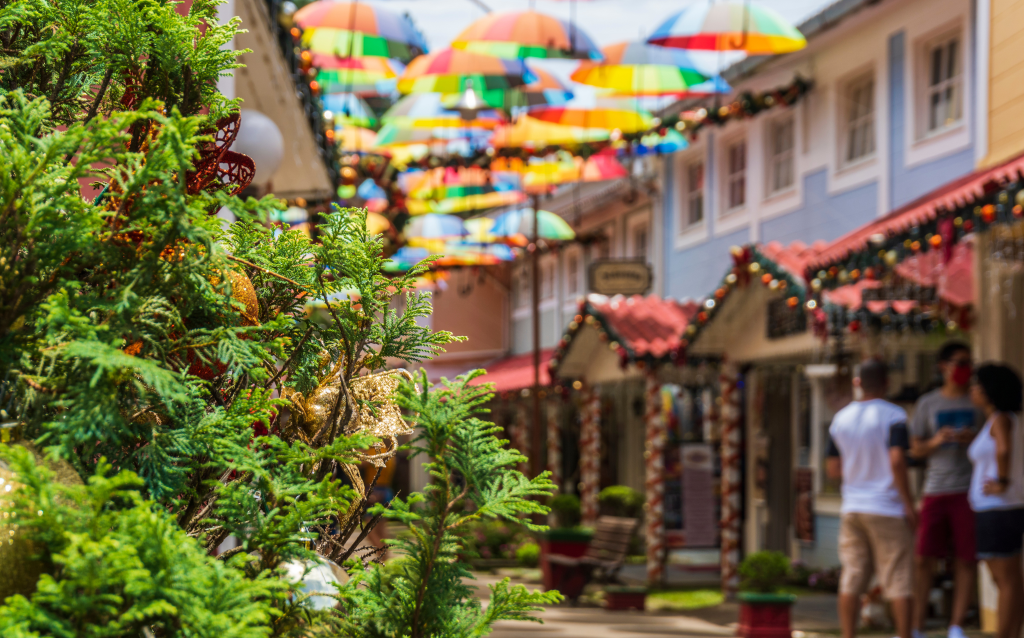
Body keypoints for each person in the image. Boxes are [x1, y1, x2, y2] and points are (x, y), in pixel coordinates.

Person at [827, 358, 916, 638]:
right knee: (898, 577)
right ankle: (904, 634)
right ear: (887, 383)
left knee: (851, 577)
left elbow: (832, 469)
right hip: (887, 507)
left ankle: (847, 634)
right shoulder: (895, 416)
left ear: (857, 383)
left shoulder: (840, 419)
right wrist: (908, 504)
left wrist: (857, 476)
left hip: (852, 506)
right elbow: (898, 460)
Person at [909, 341, 980, 638]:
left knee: (966, 558)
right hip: (935, 489)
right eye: (960, 362)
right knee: (925, 559)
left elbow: (993, 439)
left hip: (969, 490)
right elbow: (915, 449)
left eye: (968, 363)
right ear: (943, 366)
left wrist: (971, 439)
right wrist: (936, 441)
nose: (965, 368)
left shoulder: (978, 401)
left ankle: (956, 626)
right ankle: (917, 626)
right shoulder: (928, 403)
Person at [967, 364, 1024, 638]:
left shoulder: (1001, 418)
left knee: (1005, 579)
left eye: (977, 384)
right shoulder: (1002, 419)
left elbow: (1003, 449)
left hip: (998, 509)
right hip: (1000, 509)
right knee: (1008, 578)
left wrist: (1001, 481)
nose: (972, 389)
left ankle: (1005, 634)